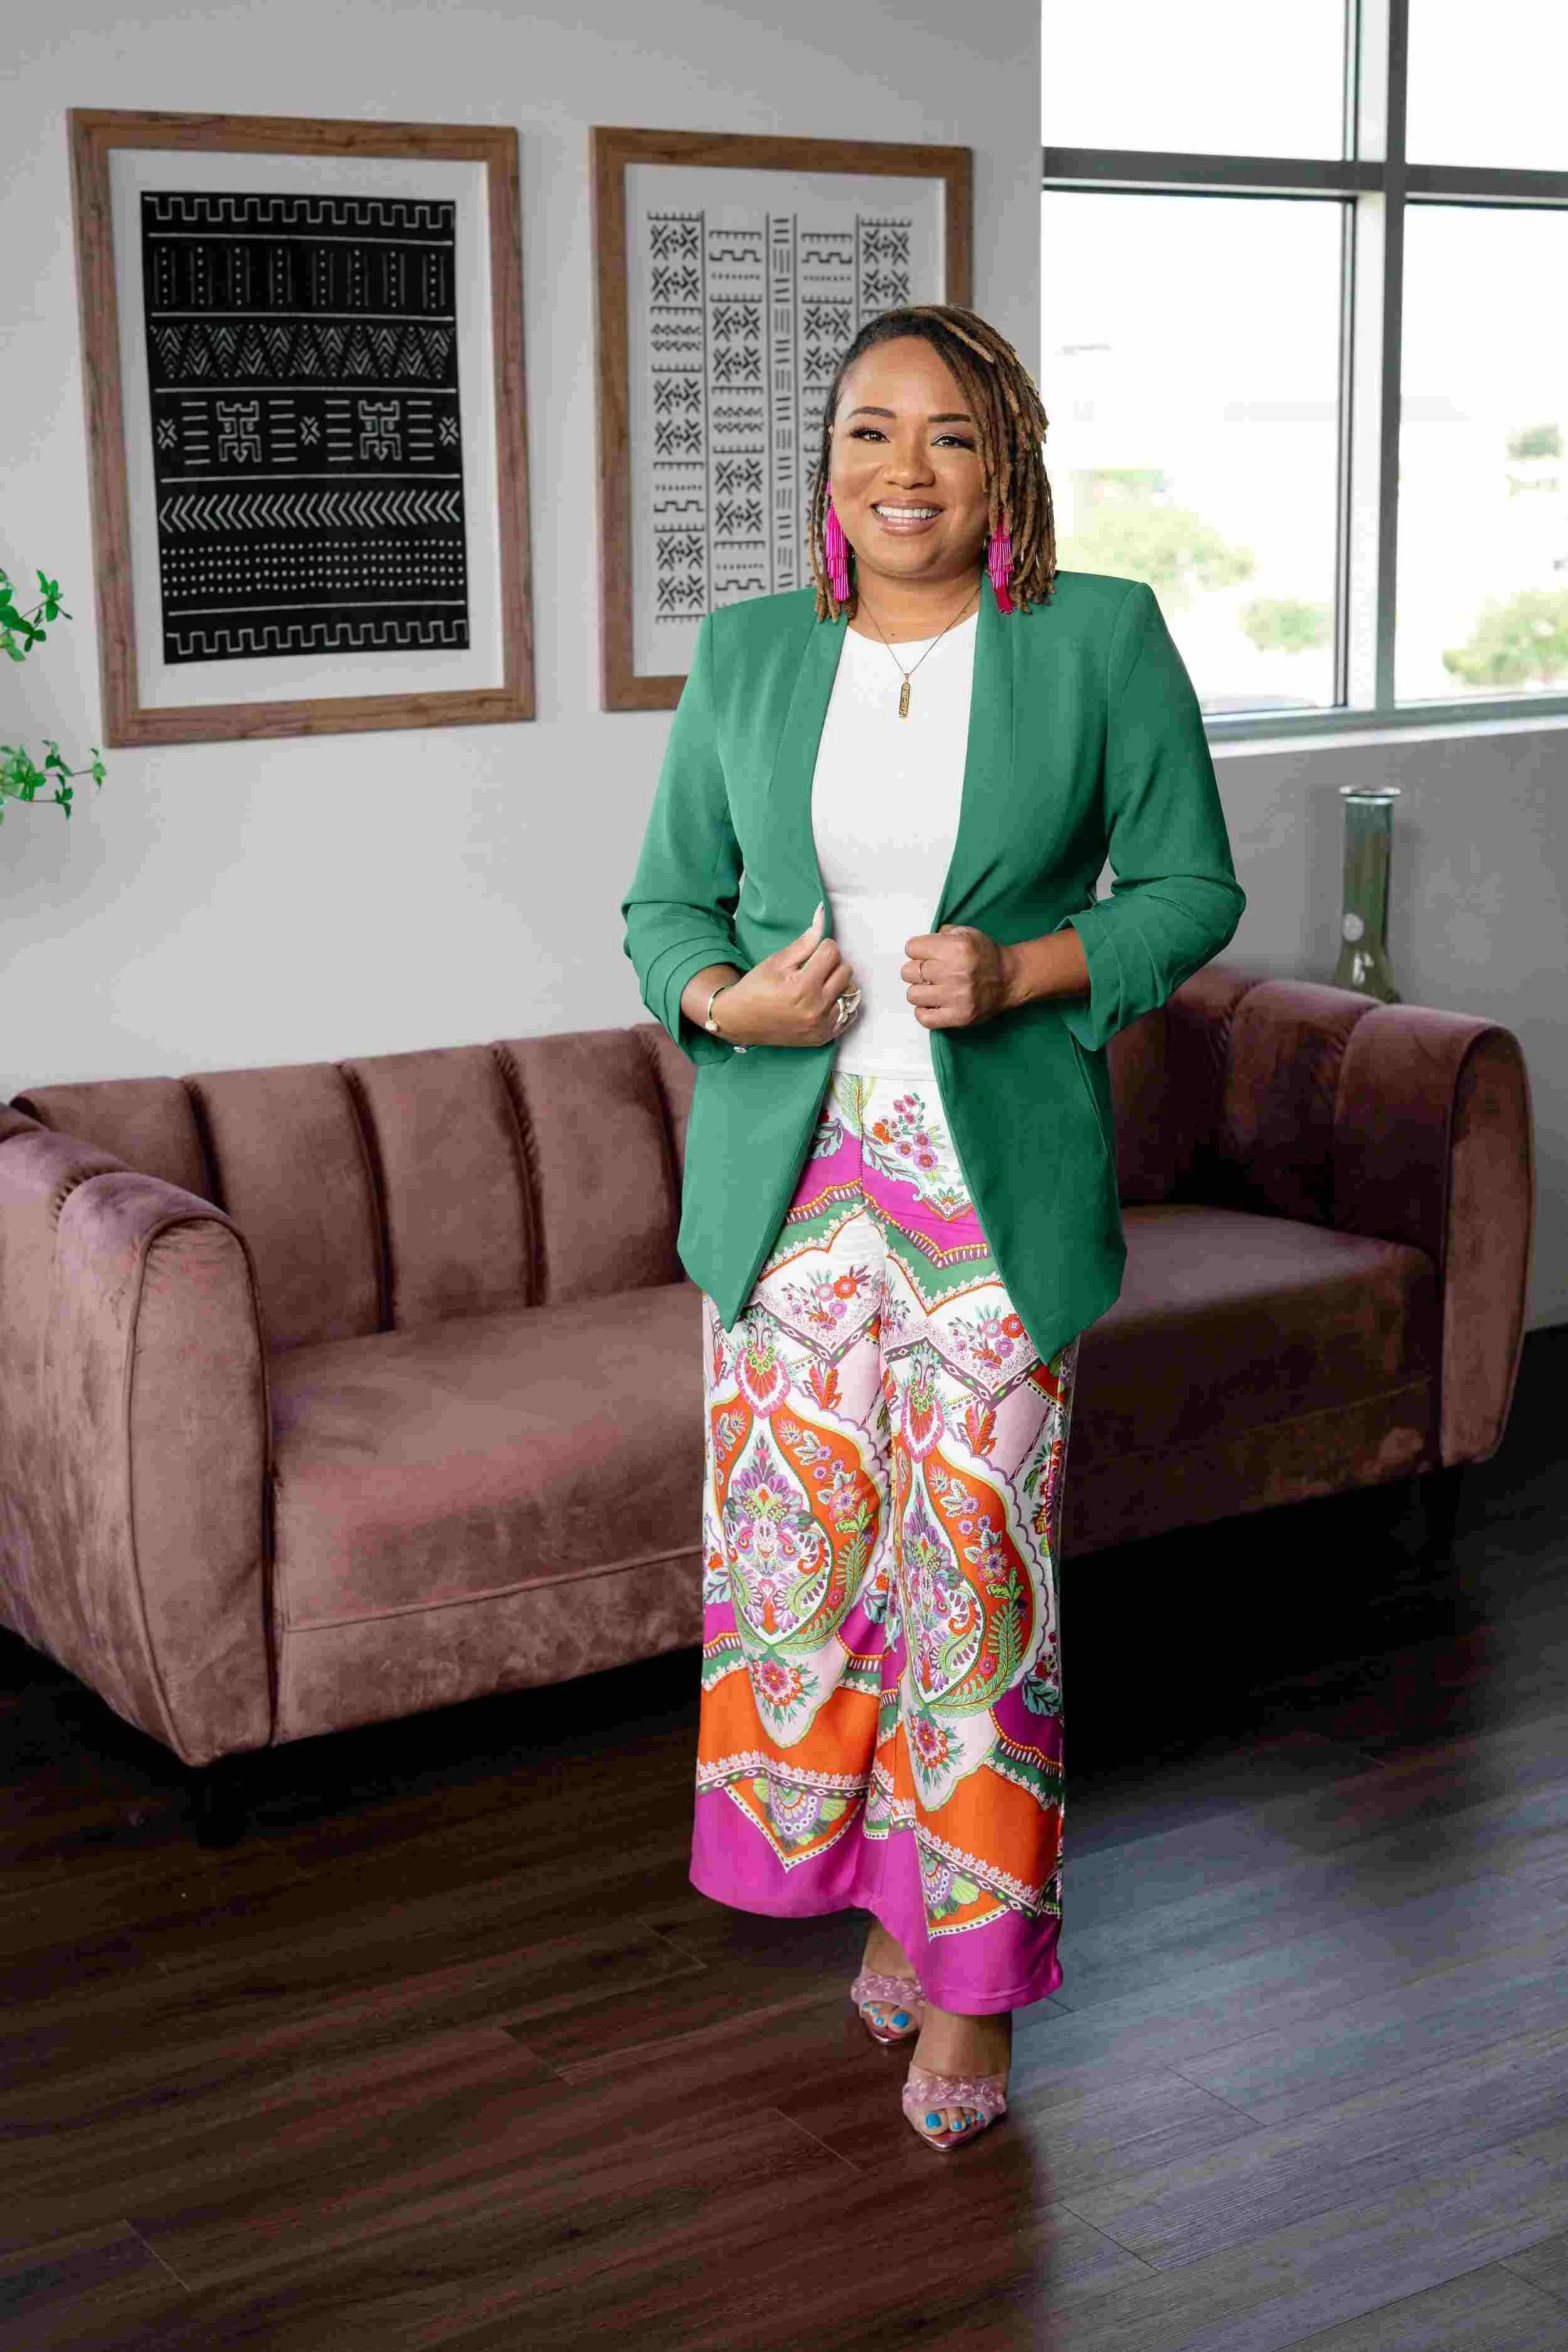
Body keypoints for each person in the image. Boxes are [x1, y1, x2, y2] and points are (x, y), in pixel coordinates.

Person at [620, 303, 1245, 2152]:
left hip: (994, 1194)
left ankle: (972, 1997)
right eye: (870, 431)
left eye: (950, 437)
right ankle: (881, 1894)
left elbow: (1194, 886)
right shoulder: (744, 656)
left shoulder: (1097, 640)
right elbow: (667, 905)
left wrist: (1033, 964)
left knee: (975, 1585)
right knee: (809, 1585)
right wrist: (724, 1004)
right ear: (824, 465)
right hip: (786, 1199)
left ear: (1007, 465)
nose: (906, 468)